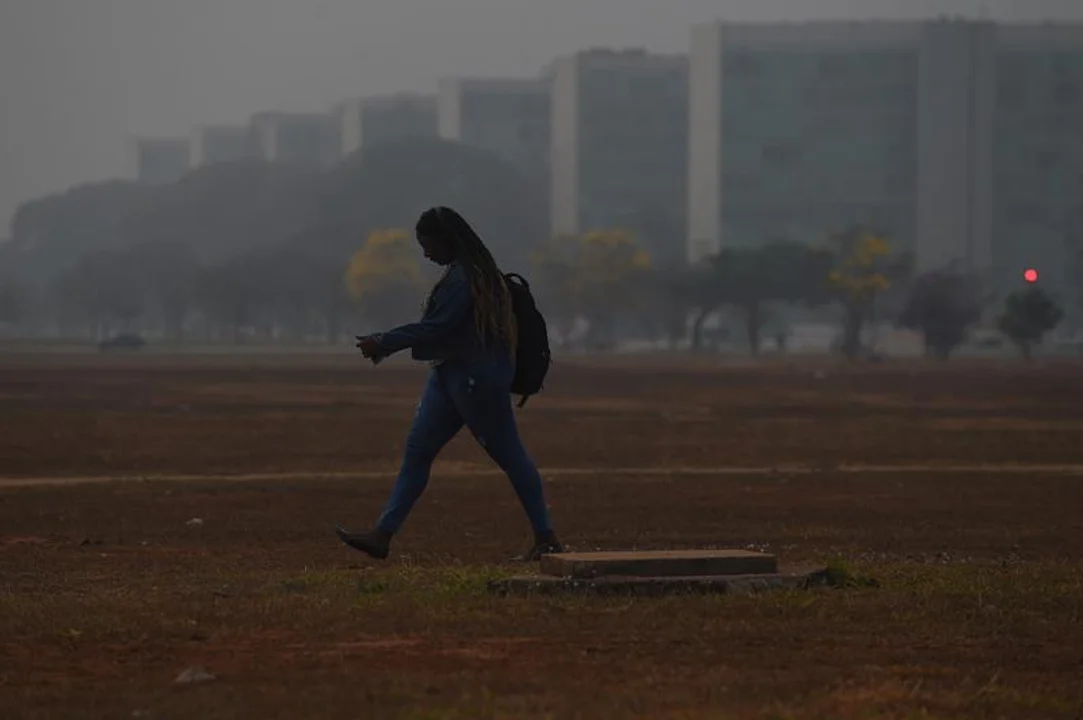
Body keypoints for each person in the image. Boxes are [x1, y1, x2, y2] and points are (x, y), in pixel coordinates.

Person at [336, 206, 564, 561]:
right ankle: (383, 534)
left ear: (446, 240)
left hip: (476, 380)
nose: (426, 253)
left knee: (510, 455)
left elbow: (435, 328)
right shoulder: (464, 273)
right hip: (449, 375)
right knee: (418, 452)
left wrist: (384, 342)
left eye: (427, 244)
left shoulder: (465, 280)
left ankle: (546, 536)